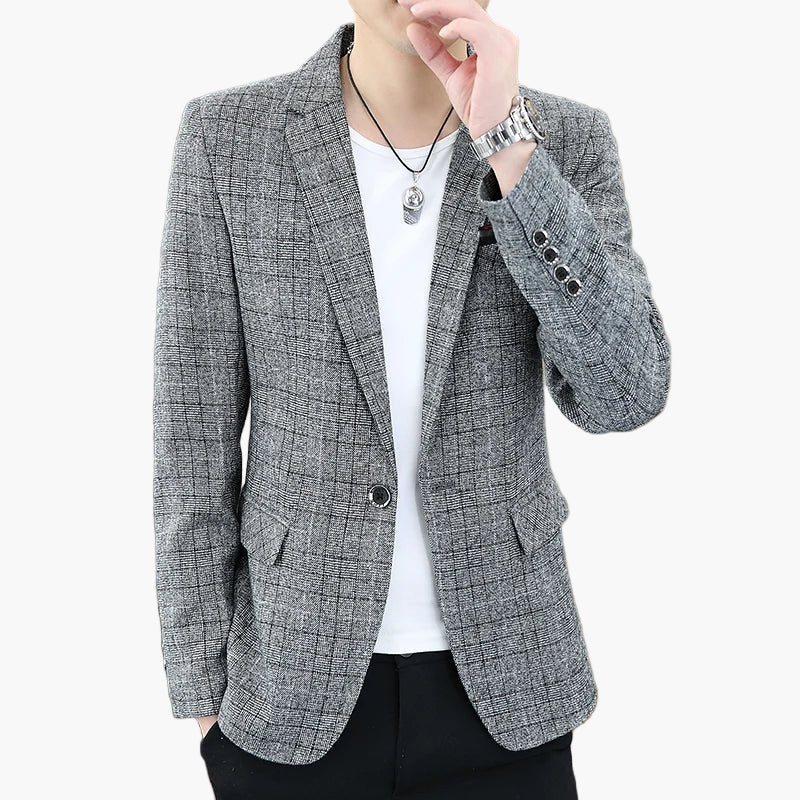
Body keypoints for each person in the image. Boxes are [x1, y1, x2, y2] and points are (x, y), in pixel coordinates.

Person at [153, 1, 671, 797]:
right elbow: (192, 442)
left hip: (510, 685)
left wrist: (509, 148)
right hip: (288, 691)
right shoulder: (228, 140)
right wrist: (203, 702)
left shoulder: (565, 141)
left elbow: (626, 392)